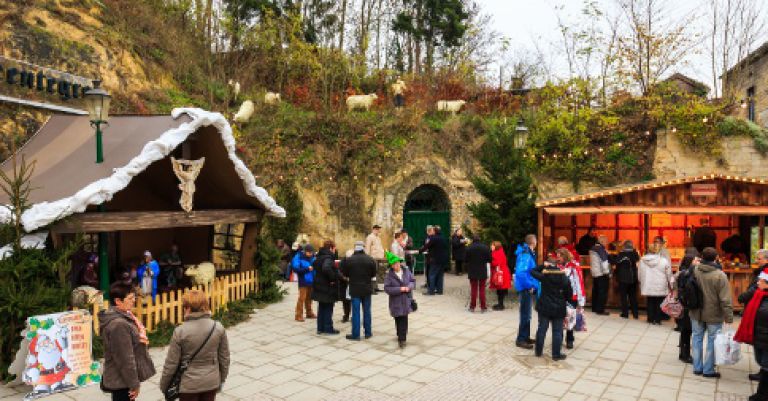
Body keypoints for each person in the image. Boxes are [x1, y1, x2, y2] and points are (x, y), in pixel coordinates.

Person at [160, 290, 229, 401]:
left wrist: (164, 386)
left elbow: (171, 364)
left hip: (188, 385)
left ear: (188, 308)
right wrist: (221, 379)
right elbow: (224, 359)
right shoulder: (218, 327)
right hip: (211, 382)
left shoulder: (180, 331)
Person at [99, 282, 156, 401]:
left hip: (123, 379)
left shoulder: (125, 316)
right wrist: (134, 384)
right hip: (121, 381)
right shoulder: (119, 325)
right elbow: (125, 359)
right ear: (118, 301)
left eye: (133, 297)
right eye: (130, 298)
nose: (133, 300)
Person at [689, 247, 734, 378]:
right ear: (716, 258)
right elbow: (725, 299)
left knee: (696, 338)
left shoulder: (695, 270)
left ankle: (697, 367)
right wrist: (729, 317)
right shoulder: (720, 276)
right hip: (714, 314)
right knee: (712, 341)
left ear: (701, 257)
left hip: (696, 311)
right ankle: (708, 369)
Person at [530, 253, 572, 361]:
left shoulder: (545, 276)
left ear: (548, 265)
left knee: (542, 329)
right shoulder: (564, 277)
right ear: (557, 265)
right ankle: (556, 355)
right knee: (557, 331)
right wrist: (564, 300)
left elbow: (532, 271)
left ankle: (538, 352)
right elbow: (569, 294)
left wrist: (542, 266)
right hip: (559, 307)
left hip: (545, 306)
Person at [735, 266, 768, 401]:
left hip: (766, 338)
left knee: (766, 367)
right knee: (761, 362)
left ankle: (762, 394)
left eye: (761, 280)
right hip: (758, 336)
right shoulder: (758, 294)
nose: (758, 282)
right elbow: (743, 298)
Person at [741, 249, 768, 381]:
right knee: (760, 344)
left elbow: (755, 289)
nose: (757, 260)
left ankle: (764, 373)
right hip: (759, 314)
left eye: (759, 258)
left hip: (762, 314)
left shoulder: (764, 273)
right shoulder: (761, 272)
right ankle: (763, 371)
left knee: (762, 345)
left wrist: (743, 297)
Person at [341, 241, 377, 341]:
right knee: (367, 311)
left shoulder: (350, 260)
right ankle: (368, 333)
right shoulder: (370, 259)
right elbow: (373, 274)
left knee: (356, 312)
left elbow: (345, 274)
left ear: (355, 248)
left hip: (355, 289)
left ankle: (355, 334)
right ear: (363, 248)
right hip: (367, 289)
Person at [383, 251, 415, 348]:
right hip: (395, 301)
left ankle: (402, 339)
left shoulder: (406, 271)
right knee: (398, 318)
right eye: (394, 264)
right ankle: (400, 334)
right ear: (391, 265)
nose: (396, 265)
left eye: (397, 263)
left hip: (406, 300)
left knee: (404, 319)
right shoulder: (389, 275)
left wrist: (409, 287)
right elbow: (387, 288)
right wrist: (400, 289)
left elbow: (412, 281)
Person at [312, 240, 343, 335]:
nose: (335, 250)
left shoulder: (319, 256)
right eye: (334, 248)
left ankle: (320, 328)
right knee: (328, 307)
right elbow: (326, 268)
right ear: (331, 248)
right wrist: (332, 278)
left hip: (319, 285)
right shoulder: (328, 258)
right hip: (327, 287)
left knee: (321, 307)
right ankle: (328, 328)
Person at [638, 243, 673, 325]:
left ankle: (650, 318)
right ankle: (657, 319)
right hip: (660, 284)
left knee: (650, 301)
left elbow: (639, 274)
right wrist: (671, 284)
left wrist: (641, 282)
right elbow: (669, 274)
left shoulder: (642, 260)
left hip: (648, 284)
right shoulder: (664, 261)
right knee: (659, 302)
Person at [514, 234, 539, 349]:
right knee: (525, 314)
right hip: (525, 289)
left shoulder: (527, 253)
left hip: (526, 288)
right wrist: (529, 286)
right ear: (533, 243)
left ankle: (525, 337)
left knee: (527, 314)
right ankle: (521, 339)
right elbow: (521, 273)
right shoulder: (526, 255)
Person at [557, 248, 585, 349]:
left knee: (571, 318)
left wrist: (581, 300)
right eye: (557, 256)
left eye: (559, 256)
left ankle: (569, 339)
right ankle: (558, 338)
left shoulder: (574, 267)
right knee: (559, 317)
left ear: (565, 256)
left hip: (572, 296)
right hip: (560, 296)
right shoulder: (557, 266)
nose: (558, 258)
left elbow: (579, 283)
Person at [676, 247, 700, 364]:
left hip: (684, 304)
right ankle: (684, 354)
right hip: (688, 305)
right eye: (696, 260)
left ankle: (683, 352)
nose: (698, 262)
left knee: (685, 330)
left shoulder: (683, 271)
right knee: (687, 330)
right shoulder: (688, 274)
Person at [614, 241, 640, 319]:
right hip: (633, 278)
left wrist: (616, 274)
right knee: (633, 296)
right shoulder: (635, 254)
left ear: (624, 246)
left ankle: (625, 313)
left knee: (624, 296)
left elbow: (616, 264)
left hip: (623, 278)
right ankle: (635, 314)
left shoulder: (621, 255)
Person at [464, 236, 492, 313]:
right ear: (480, 240)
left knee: (473, 289)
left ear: (473, 240)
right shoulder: (485, 248)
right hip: (482, 270)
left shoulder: (469, 248)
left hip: (472, 270)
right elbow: (489, 259)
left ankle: (472, 307)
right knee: (482, 289)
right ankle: (483, 307)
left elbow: (465, 260)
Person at [292, 245, 316, 322]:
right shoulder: (298, 257)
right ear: (305, 251)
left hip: (312, 280)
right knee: (302, 298)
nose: (310, 254)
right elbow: (295, 269)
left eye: (311, 253)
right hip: (303, 280)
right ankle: (298, 315)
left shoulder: (313, 257)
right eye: (309, 252)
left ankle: (309, 313)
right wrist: (307, 269)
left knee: (310, 298)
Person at [422, 225, 449, 295]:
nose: (432, 231)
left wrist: (419, 251)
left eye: (433, 230)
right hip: (443, 260)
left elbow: (426, 246)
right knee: (440, 275)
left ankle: (431, 291)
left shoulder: (434, 238)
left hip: (435, 259)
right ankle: (440, 291)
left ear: (435, 231)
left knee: (432, 275)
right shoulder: (443, 238)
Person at [589, 235, 611, 315]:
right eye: (606, 241)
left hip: (595, 272)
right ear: (602, 241)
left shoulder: (593, 248)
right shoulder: (600, 249)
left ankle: (594, 308)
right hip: (601, 273)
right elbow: (604, 262)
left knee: (596, 291)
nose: (607, 243)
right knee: (602, 292)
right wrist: (607, 272)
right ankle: (600, 309)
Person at [490, 241, 512, 311]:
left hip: (501, 274)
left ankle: (501, 305)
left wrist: (490, 261)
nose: (491, 247)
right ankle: (500, 304)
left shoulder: (497, 253)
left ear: (496, 246)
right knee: (500, 289)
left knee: (500, 289)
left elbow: (496, 263)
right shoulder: (499, 252)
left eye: (492, 246)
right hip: (502, 273)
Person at [365, 225, 386, 291]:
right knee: (373, 272)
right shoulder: (370, 237)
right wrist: (367, 257)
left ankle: (376, 286)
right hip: (372, 257)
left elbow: (380, 247)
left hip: (379, 258)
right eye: (378, 230)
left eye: (379, 230)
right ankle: (372, 288)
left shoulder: (378, 238)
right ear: (374, 229)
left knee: (377, 272)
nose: (379, 231)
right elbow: (367, 247)